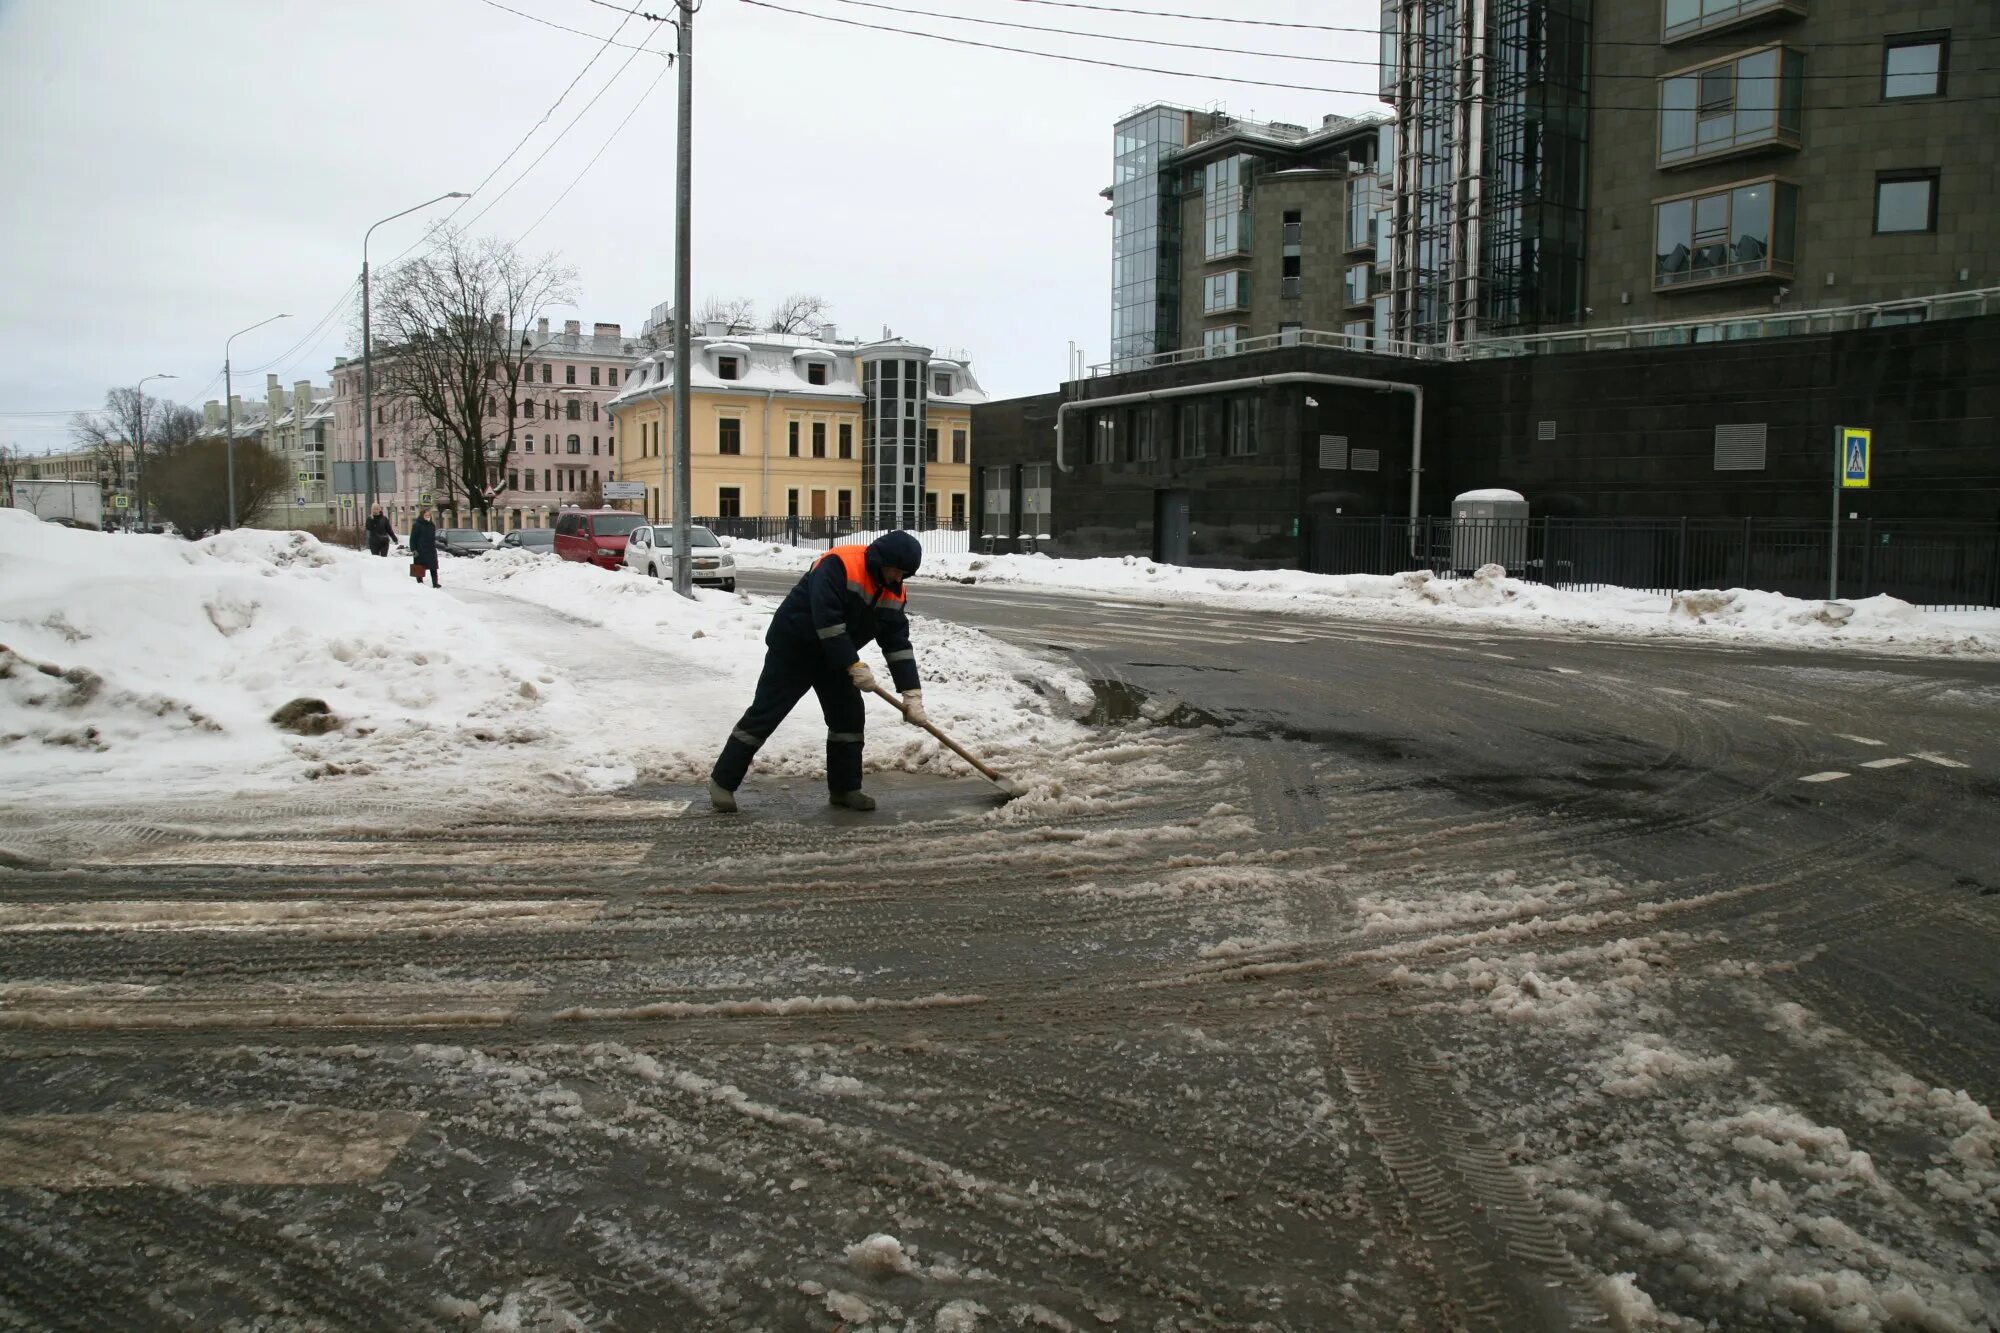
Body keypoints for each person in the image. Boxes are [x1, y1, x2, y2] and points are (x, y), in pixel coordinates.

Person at [710, 531, 927, 813]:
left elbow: (897, 642)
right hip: (794, 648)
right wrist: (853, 663)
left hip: (836, 657)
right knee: (766, 713)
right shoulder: (839, 564)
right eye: (895, 570)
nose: (898, 578)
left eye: (904, 573)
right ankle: (722, 782)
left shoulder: (894, 590)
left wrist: (911, 692)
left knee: (848, 718)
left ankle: (845, 789)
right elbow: (827, 621)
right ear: (879, 561)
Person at [408, 507, 440, 589]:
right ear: (422, 515)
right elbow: (412, 539)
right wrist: (413, 550)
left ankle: (435, 583)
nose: (428, 516)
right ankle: (420, 583)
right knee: (419, 567)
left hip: (431, 550)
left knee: (433, 567)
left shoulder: (432, 525)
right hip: (420, 550)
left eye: (429, 515)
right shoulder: (417, 525)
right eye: (426, 515)